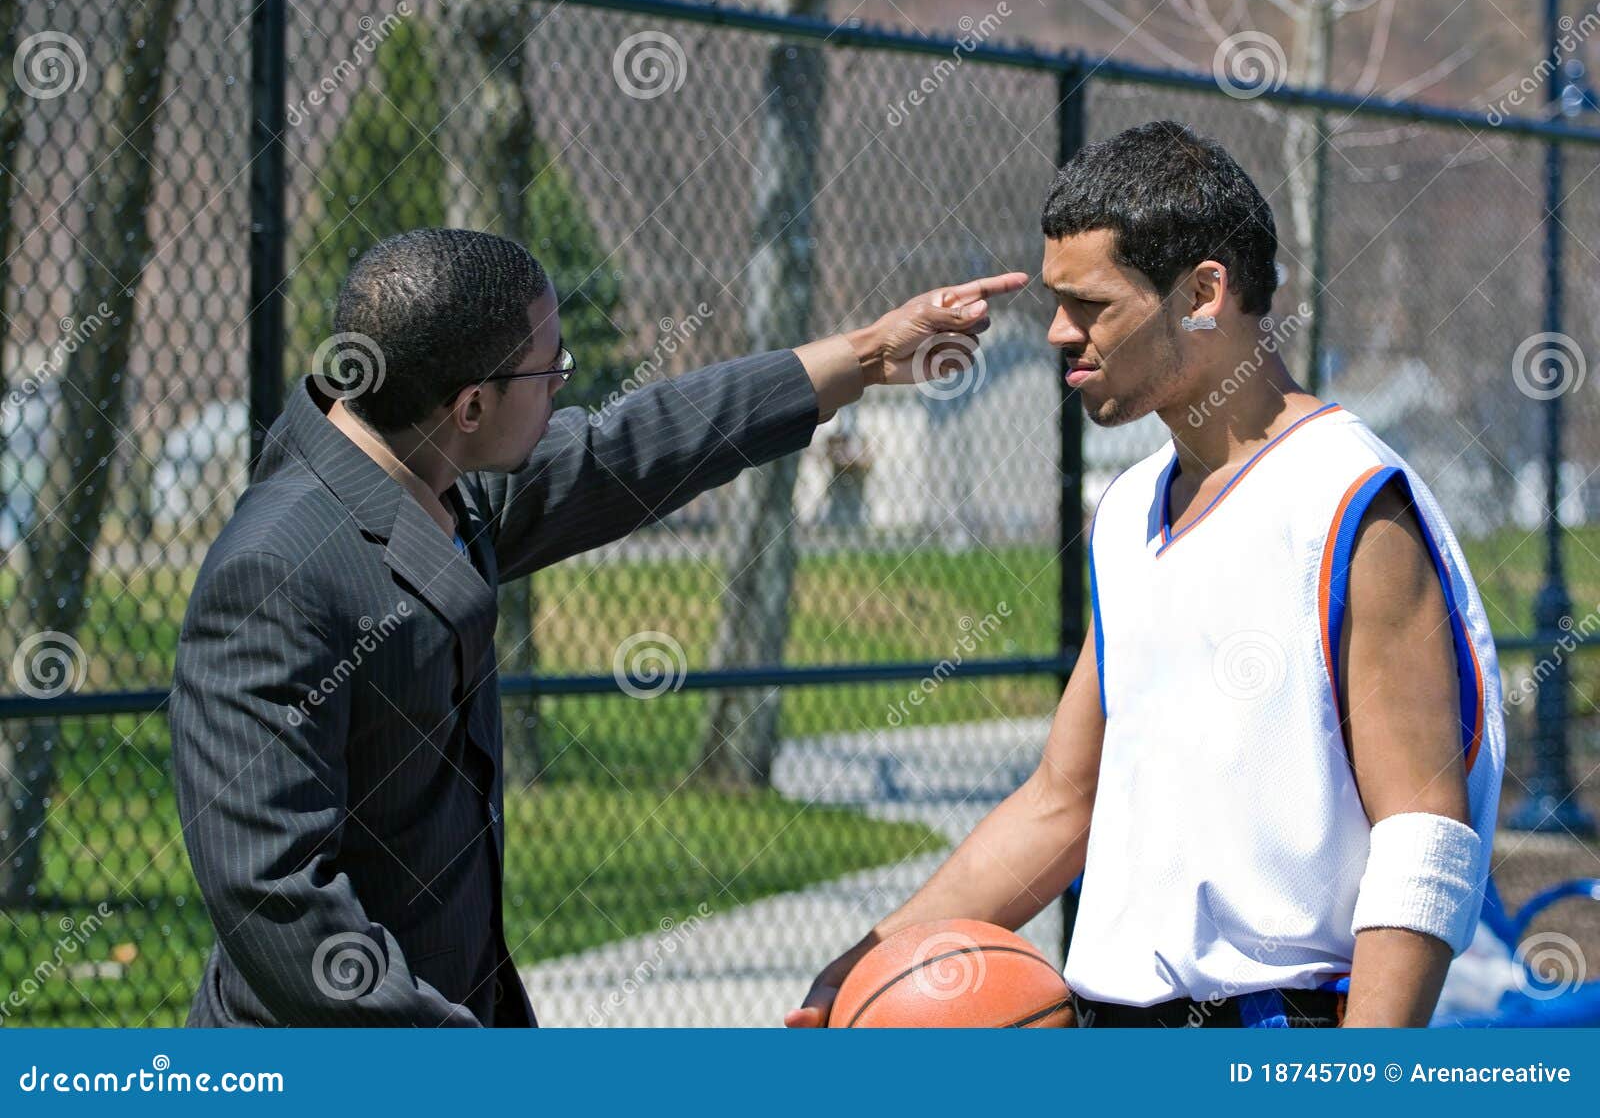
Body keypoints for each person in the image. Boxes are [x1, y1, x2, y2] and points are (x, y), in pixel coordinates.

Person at [169, 225, 1027, 1026]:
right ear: (470, 405)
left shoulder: (426, 470)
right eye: (551, 371)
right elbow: (278, 897)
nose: (564, 388)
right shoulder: (275, 572)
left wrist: (867, 356)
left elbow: (630, 446)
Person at [787, 120, 1505, 1030]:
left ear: (1205, 292)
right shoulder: (1130, 509)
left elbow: (1422, 831)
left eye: (1090, 305)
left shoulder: (1349, 498)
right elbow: (1061, 800)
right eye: (1055, 300)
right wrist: (865, 961)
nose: (1058, 332)